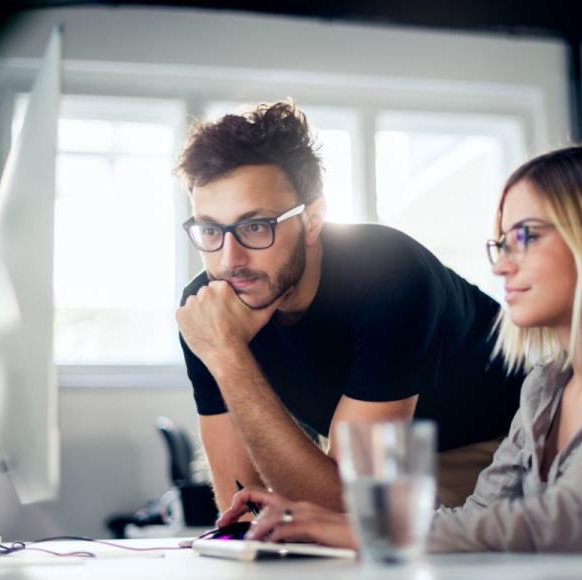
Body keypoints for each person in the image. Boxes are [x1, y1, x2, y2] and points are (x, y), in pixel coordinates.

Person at [217, 138, 582, 556]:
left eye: (527, 237)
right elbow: (479, 516)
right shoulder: (545, 387)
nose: (501, 265)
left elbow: (572, 522)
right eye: (501, 241)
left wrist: (368, 533)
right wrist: (320, 521)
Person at [174, 101, 523, 513]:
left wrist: (229, 357)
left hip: (486, 446)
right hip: (364, 453)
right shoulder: (207, 306)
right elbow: (240, 504)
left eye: (255, 226)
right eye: (211, 230)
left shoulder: (389, 276)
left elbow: (350, 510)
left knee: (373, 547)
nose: (230, 260)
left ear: (313, 219)